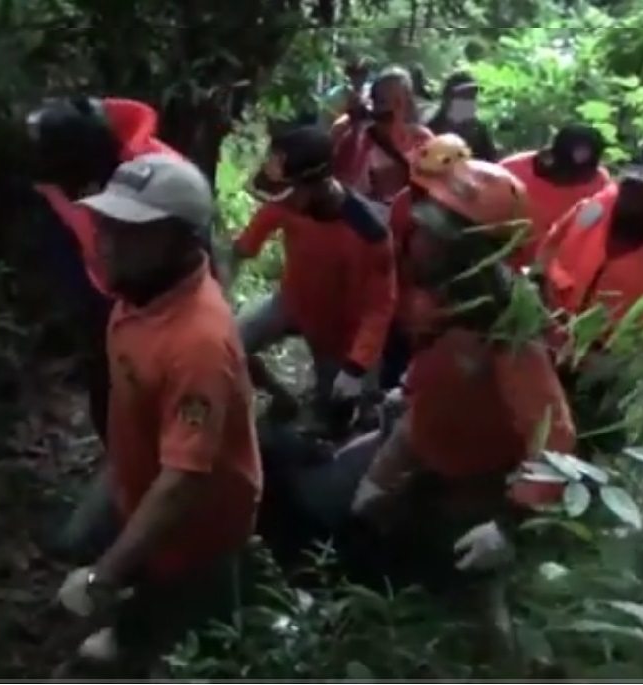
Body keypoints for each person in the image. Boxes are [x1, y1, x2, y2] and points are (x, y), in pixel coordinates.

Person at [52, 154, 262, 677]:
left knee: (188, 631)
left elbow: (183, 485)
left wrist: (104, 578)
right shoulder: (139, 292)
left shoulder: (197, 343)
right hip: (140, 479)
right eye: (108, 224)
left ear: (178, 241)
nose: (106, 241)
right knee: (79, 541)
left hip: (197, 519)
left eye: (130, 230)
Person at [351, 135, 576, 591]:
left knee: (436, 575)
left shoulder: (510, 327)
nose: (423, 240)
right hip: (419, 427)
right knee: (361, 518)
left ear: (472, 249)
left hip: (471, 474)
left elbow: (554, 435)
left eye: (438, 234)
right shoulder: (442, 288)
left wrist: (513, 521)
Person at [538, 145, 643, 456]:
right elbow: (551, 247)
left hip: (610, 352)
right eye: (632, 185)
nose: (635, 197)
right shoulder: (596, 207)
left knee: (586, 426)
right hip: (553, 324)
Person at [26, 97, 181, 445]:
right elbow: (64, 224)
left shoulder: (159, 175)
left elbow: (194, 255)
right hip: (100, 287)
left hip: (162, 296)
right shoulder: (55, 174)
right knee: (108, 390)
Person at [236, 125, 398, 425]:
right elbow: (244, 248)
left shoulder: (370, 232)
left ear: (317, 184)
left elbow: (379, 307)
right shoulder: (285, 205)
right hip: (292, 303)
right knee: (229, 346)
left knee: (336, 414)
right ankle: (281, 397)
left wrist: (356, 366)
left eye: (289, 192)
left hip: (341, 332)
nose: (279, 201)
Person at [499, 124, 611, 269]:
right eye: (580, 151)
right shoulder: (513, 169)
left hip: (556, 268)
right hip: (504, 258)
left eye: (589, 153)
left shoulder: (600, 183)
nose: (583, 158)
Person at [332, 66, 435, 204]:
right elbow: (347, 190)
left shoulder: (422, 138)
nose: (395, 108)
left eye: (399, 101)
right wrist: (356, 130)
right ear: (373, 105)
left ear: (408, 103)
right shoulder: (357, 142)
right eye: (384, 102)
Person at [426, 71, 498, 162]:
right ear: (448, 99)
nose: (468, 101)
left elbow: (492, 163)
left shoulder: (478, 129)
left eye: (471, 96)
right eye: (463, 96)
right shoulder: (432, 130)